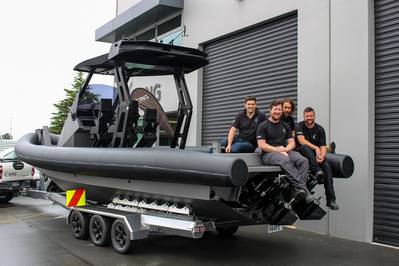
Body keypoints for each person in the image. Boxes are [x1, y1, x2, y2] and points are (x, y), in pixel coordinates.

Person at [256, 100, 313, 203]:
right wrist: (278, 150)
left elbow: (292, 143)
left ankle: (297, 190)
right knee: (284, 160)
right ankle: (304, 189)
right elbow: (262, 145)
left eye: (279, 109)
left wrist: (285, 149)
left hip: (284, 151)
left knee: (303, 161)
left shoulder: (285, 125)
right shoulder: (263, 125)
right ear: (270, 110)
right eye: (275, 109)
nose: (277, 112)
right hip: (269, 154)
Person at [295, 107, 339, 210]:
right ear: (304, 116)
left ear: (314, 116)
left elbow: (322, 146)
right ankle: (317, 171)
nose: (309, 118)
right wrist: (316, 148)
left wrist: (322, 156)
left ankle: (331, 199)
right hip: (302, 153)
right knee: (305, 147)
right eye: (307, 116)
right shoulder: (299, 126)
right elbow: (301, 141)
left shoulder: (320, 129)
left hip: (315, 155)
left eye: (311, 116)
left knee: (327, 167)